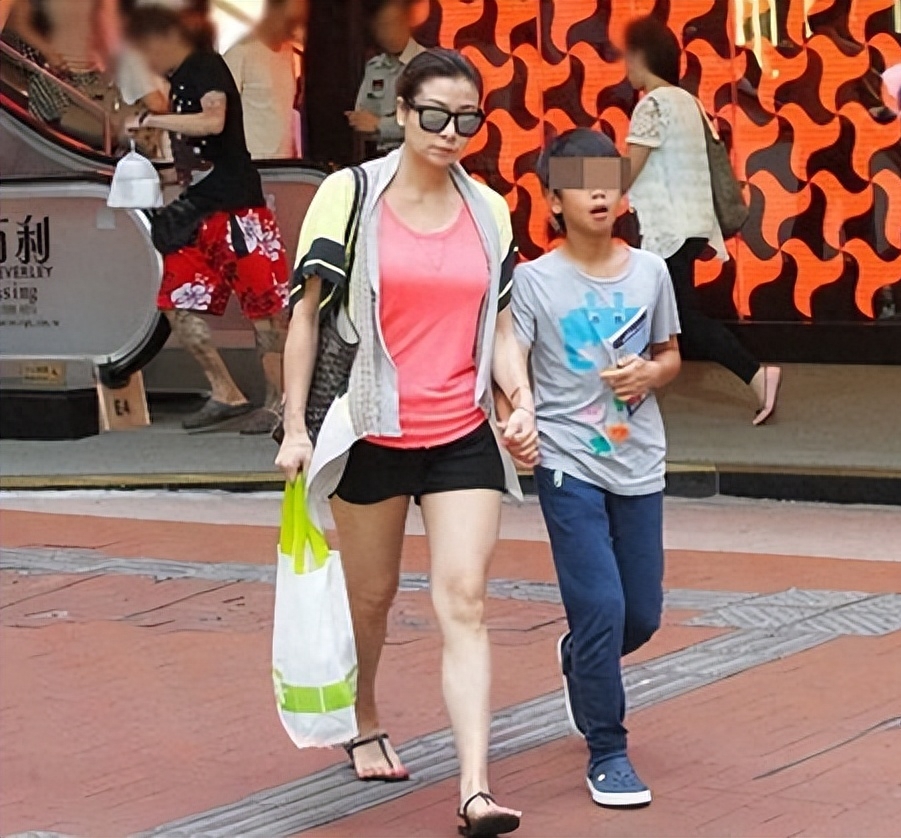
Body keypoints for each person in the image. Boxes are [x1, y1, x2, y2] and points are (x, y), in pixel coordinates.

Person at [275, 48, 535, 837]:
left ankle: (475, 789)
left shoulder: (489, 210)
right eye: (434, 115)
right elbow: (306, 315)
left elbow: (501, 323)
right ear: (400, 113)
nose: (450, 132)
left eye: (466, 119)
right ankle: (363, 717)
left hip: (461, 432)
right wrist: (295, 427)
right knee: (373, 596)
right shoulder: (350, 195)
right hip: (372, 428)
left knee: (465, 601)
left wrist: (520, 400)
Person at [510, 128, 681, 809]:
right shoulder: (533, 281)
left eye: (609, 181)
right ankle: (608, 752)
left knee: (640, 615)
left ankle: (580, 655)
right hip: (566, 460)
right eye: (582, 184)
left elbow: (670, 354)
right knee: (602, 607)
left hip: (638, 458)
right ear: (554, 200)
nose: (600, 194)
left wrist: (651, 374)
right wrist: (518, 417)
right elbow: (511, 366)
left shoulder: (651, 271)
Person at [124, 6, 288, 435]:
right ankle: (225, 391)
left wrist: (153, 119)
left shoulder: (204, 65)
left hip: (237, 207)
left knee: (265, 310)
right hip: (198, 208)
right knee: (174, 299)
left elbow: (214, 121)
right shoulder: (180, 78)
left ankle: (280, 403)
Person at [623, 16, 781, 425]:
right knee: (659, 314)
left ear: (641, 55)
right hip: (693, 226)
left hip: (667, 230)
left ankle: (757, 375)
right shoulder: (688, 102)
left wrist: (565, 174)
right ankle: (629, 394)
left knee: (679, 319)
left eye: (627, 55)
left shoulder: (652, 105)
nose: (624, 65)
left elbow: (625, 173)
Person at [223, 0, 306, 160]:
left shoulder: (288, 53)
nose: (294, 28)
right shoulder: (241, 52)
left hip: (285, 160)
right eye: (291, 20)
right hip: (252, 160)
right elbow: (223, 111)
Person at [348, 0, 424, 157]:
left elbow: (427, 121)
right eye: (382, 26)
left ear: (408, 21)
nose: (389, 32)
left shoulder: (427, 65)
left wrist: (380, 125)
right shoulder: (374, 67)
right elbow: (361, 118)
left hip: (416, 156)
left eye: (394, 23)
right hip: (378, 156)